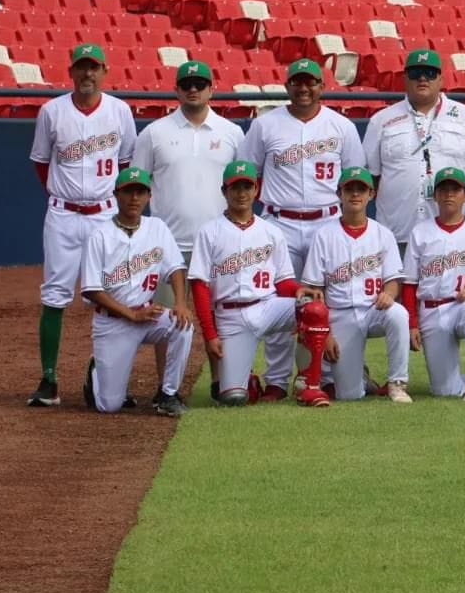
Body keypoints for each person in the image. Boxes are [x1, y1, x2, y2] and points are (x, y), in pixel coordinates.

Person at [27, 42, 138, 407]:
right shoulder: (52, 112)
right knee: (55, 295)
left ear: (105, 70)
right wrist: (64, 195)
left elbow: (126, 164)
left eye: (94, 67)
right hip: (63, 215)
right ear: (71, 71)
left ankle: (103, 377)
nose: (87, 74)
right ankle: (49, 379)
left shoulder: (120, 112)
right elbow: (42, 163)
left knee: (113, 294)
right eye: (81, 67)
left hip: (106, 214)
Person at [132, 59, 244, 401]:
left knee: (222, 317)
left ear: (212, 88)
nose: (193, 89)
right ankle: (169, 389)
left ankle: (221, 383)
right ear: (177, 90)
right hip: (169, 244)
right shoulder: (154, 133)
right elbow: (137, 187)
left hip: (219, 241)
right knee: (169, 320)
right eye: (187, 84)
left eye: (200, 83)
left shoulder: (232, 133)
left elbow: (247, 185)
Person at [188, 161, 326, 406]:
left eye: (247, 187)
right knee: (235, 398)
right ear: (224, 191)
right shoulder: (209, 232)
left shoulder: (271, 231)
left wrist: (298, 290)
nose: (241, 193)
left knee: (312, 308)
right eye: (235, 187)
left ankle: (309, 385)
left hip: (267, 307)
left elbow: (283, 282)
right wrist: (210, 335)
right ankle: (245, 379)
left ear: (256, 190)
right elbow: (200, 287)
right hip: (231, 316)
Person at [79, 167, 193, 418]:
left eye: (140, 192)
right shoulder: (100, 235)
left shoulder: (157, 227)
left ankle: (168, 394)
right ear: (116, 195)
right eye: (129, 192)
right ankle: (96, 370)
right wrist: (130, 314)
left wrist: (181, 303)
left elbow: (175, 267)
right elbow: (92, 289)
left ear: (148, 197)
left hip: (148, 316)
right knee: (109, 406)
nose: (134, 198)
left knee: (182, 325)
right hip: (112, 323)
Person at [238, 58, 367, 272]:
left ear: (322, 87)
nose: (304, 88)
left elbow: (355, 175)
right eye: (297, 82)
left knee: (328, 296)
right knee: (279, 296)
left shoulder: (342, 126)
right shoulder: (264, 124)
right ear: (287, 86)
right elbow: (247, 173)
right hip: (279, 222)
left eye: (311, 82)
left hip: (328, 221)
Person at [299, 167, 411, 404]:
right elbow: (314, 291)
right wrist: (325, 332)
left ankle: (397, 383)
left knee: (399, 314)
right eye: (349, 189)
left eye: (361, 189)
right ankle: (360, 378)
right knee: (349, 395)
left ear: (371, 194)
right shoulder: (324, 235)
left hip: (374, 311)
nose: (355, 194)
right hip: (340, 315)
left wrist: (389, 295)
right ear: (339, 193)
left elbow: (393, 281)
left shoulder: (383, 234)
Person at [362, 48, 465, 253]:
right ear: (405, 78)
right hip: (396, 236)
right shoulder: (381, 121)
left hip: (452, 236)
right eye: (415, 73)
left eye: (430, 73)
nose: (422, 78)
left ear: (440, 78)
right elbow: (371, 178)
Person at [401, 167, 465, 403]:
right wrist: (412, 323)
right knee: (444, 390)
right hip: (432, 309)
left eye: (455, 189)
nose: (449, 195)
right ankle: (462, 382)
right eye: (444, 189)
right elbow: (410, 284)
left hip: (463, 306)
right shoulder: (420, 232)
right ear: (435, 196)